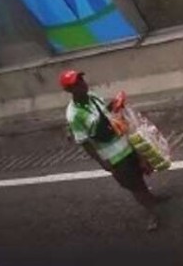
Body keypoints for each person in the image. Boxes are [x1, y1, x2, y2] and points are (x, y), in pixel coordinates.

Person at [60, 69, 161, 231]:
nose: (82, 85)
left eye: (81, 80)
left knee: (141, 173)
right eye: (76, 84)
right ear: (69, 90)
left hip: (126, 144)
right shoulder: (74, 115)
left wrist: (114, 105)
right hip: (113, 156)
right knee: (133, 185)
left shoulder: (92, 96)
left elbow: (106, 114)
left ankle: (151, 198)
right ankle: (152, 213)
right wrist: (103, 162)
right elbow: (84, 142)